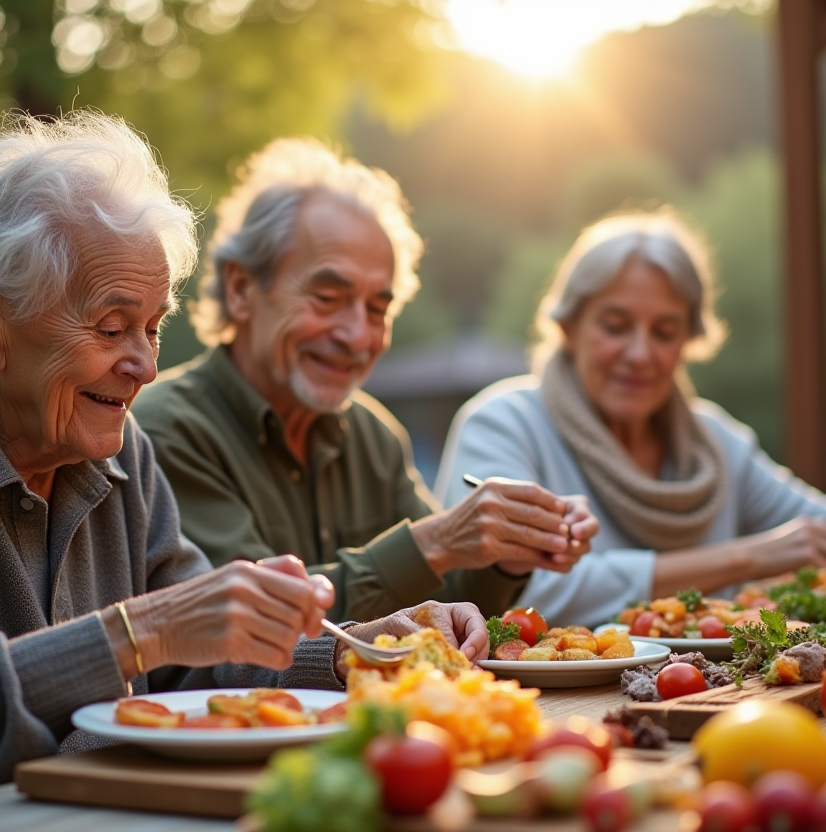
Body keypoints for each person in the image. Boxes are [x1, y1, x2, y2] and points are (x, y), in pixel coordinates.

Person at [0, 111, 486, 830]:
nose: (146, 365)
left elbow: (202, 657)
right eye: (111, 326)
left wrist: (351, 655)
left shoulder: (121, 452)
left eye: (154, 327)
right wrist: (133, 634)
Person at [132, 138, 599, 623]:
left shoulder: (375, 436)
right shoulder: (165, 432)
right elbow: (247, 618)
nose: (358, 335)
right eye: (328, 297)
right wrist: (436, 542)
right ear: (242, 288)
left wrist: (507, 552)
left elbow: (450, 602)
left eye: (378, 308)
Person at [435, 210, 826, 627]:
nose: (640, 354)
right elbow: (528, 594)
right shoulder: (501, 424)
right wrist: (747, 558)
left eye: (664, 331)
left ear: (687, 342)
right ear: (569, 327)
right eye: (615, 326)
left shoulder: (715, 442)